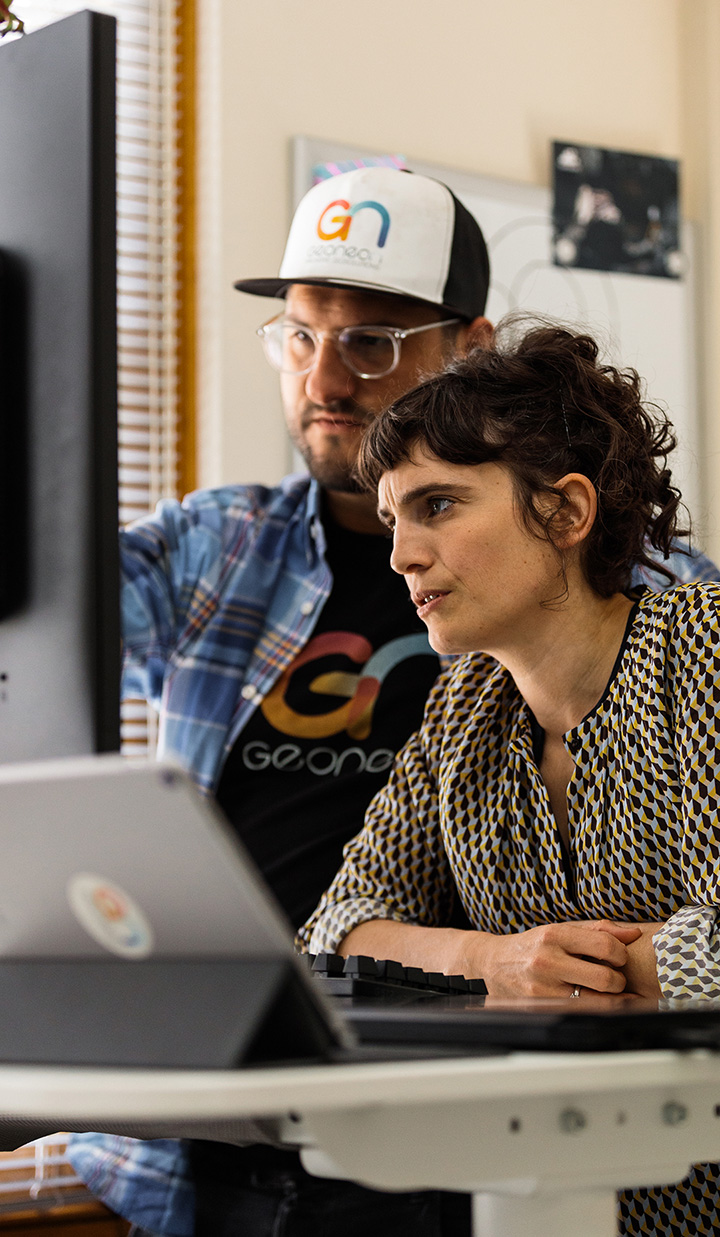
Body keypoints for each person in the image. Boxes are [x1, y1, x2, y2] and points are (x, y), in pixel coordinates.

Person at [67, 165, 496, 1237]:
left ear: (471, 350)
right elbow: (42, 599)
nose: (326, 378)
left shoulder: (613, 580)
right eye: (301, 335)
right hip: (217, 1141)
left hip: (469, 1126)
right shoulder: (222, 542)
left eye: (372, 343)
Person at [299, 321, 720, 1237]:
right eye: (394, 517)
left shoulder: (704, 649)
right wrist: (493, 961)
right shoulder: (465, 708)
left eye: (439, 506)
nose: (403, 553)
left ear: (566, 514)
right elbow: (331, 936)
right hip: (567, 1203)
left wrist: (584, 972)